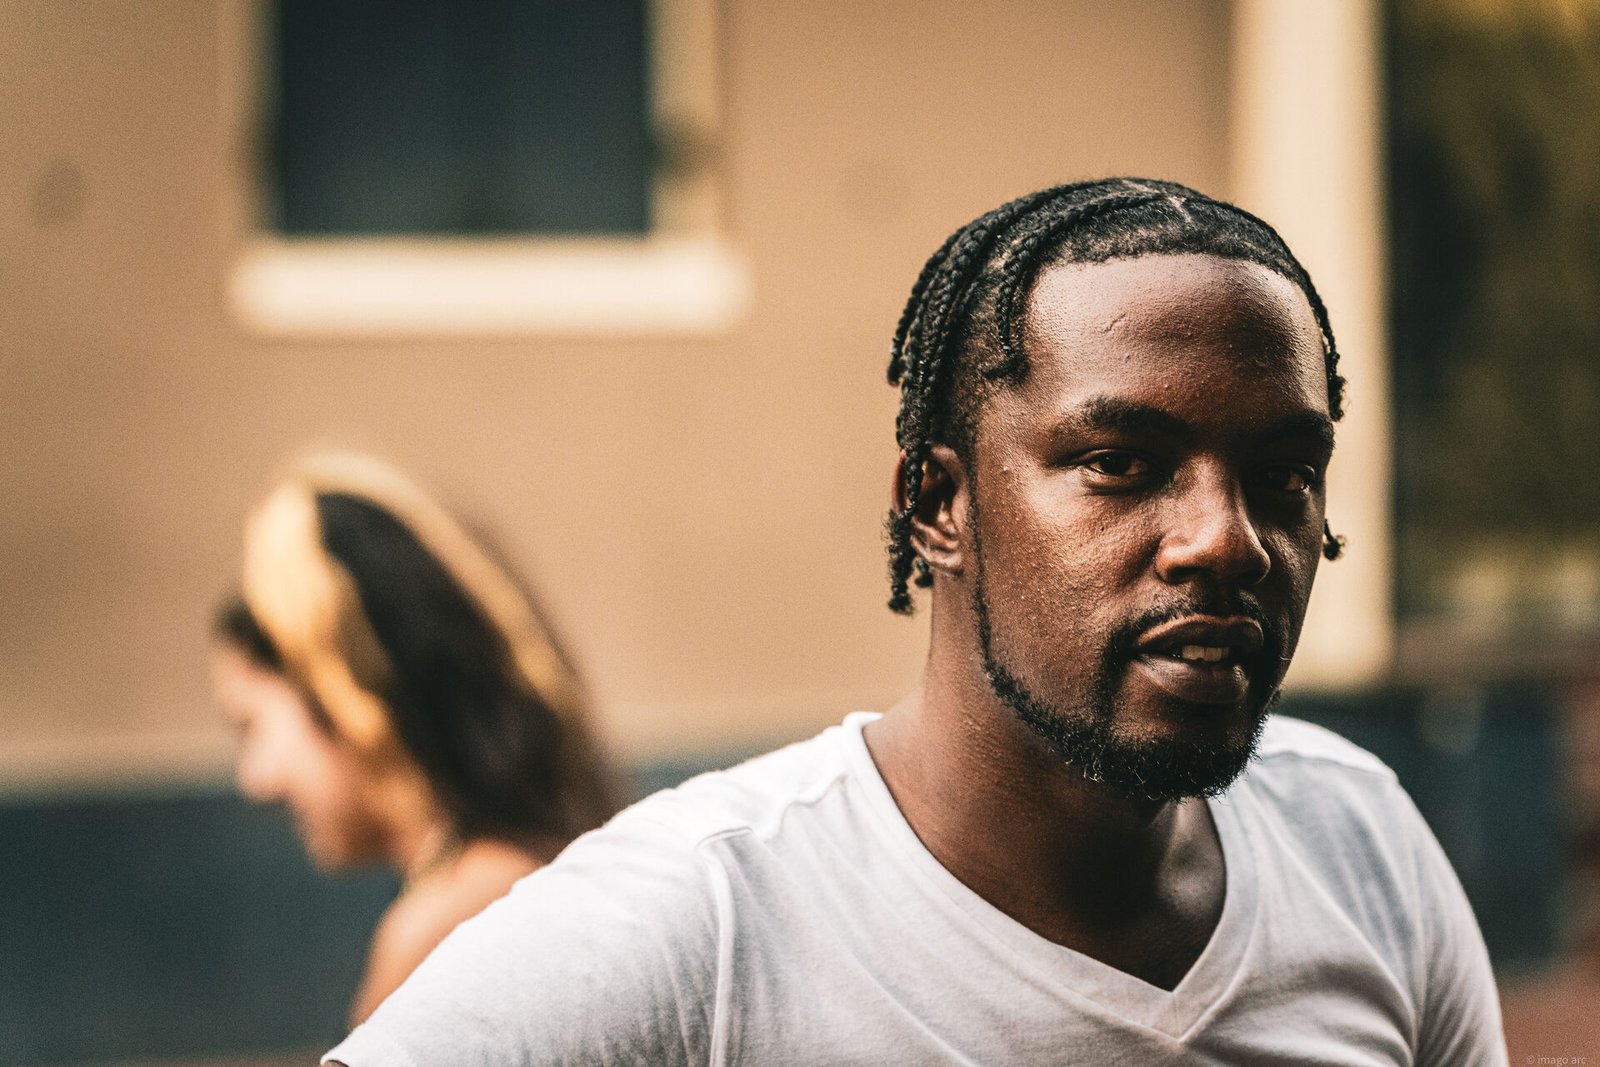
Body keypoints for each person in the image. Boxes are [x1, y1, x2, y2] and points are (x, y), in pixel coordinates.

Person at [325, 180, 1507, 1064]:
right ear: (937, 505)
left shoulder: (1360, 849)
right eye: (1121, 461)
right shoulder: (704, 926)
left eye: (1284, 475)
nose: (1226, 538)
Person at [210, 453, 615, 1025]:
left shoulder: (451, 924)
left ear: (349, 697)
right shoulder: (533, 868)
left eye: (253, 726)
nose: (256, 781)